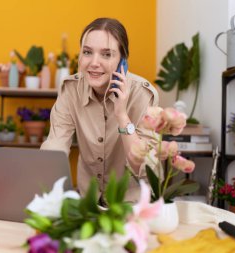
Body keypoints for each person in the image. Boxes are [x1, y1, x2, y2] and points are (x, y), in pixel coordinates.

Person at [41, 17, 159, 202]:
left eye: (106, 54)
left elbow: (144, 169)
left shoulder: (142, 94)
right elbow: (56, 146)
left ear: (123, 62)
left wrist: (121, 115)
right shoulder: (71, 89)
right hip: (88, 203)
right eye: (87, 52)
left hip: (132, 207)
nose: (94, 63)